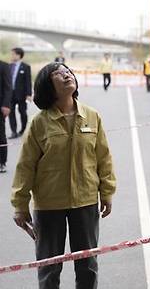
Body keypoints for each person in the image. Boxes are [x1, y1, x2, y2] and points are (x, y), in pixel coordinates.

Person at [10, 62, 116, 289]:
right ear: (48, 85)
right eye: (58, 73)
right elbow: (25, 166)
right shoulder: (39, 122)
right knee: (49, 267)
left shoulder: (91, 116)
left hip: (85, 201)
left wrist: (107, 192)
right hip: (49, 205)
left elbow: (103, 158)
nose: (67, 75)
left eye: (68, 71)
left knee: (87, 265)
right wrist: (20, 205)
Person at [8, 47, 32, 139]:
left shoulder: (25, 67)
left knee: (22, 112)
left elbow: (28, 81)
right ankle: (13, 132)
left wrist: (29, 94)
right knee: (11, 113)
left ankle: (23, 130)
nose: (12, 56)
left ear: (19, 55)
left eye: (13, 54)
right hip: (10, 94)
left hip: (21, 95)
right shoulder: (9, 66)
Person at [0, 59, 11, 173]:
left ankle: (2, 162)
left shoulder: (4, 66)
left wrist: (6, 105)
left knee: (0, 135)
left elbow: (8, 87)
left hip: (0, 107)